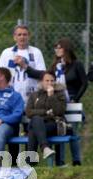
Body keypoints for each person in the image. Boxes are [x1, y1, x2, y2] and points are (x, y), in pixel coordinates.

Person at [25, 38, 87, 166]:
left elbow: (84, 83)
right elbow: (45, 77)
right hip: (55, 99)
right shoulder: (55, 66)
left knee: (71, 131)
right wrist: (26, 67)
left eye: (59, 47)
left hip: (70, 99)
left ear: (66, 48)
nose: (57, 50)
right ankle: (58, 160)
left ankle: (76, 161)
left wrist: (76, 98)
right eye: (56, 48)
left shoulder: (76, 64)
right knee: (38, 124)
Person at [0, 25, 46, 102]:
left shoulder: (36, 52)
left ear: (29, 36)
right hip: (11, 95)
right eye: (19, 35)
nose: (22, 37)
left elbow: (43, 75)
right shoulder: (6, 52)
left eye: (24, 34)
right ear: (14, 37)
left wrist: (25, 66)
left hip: (32, 95)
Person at [25, 71, 67, 161]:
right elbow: (28, 112)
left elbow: (59, 112)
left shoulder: (59, 94)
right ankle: (45, 148)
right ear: (41, 82)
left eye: (52, 81)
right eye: (47, 81)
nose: (50, 83)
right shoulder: (34, 95)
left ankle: (30, 163)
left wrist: (51, 96)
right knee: (36, 121)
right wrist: (46, 112)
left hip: (53, 124)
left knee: (33, 127)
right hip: (39, 124)